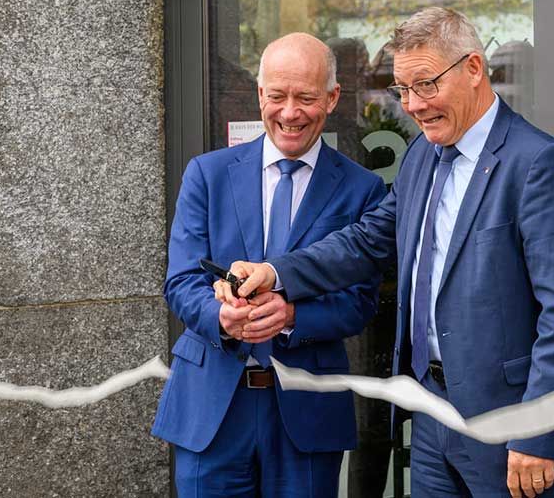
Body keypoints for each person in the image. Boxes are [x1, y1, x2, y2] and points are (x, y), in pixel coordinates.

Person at [231, 7, 554, 498]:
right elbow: (366, 242)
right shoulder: (422, 154)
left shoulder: (539, 164)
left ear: (473, 68)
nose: (413, 105)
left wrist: (538, 429)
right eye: (402, 89)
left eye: (425, 85)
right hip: (430, 418)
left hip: (509, 425)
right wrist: (275, 272)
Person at [151, 33, 387, 497]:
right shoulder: (207, 174)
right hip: (210, 409)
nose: (290, 112)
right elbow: (181, 281)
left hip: (306, 413)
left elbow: (360, 302)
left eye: (306, 98)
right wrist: (221, 315)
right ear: (260, 94)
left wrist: (292, 315)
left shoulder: (363, 189)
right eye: (277, 96)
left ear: (332, 98)